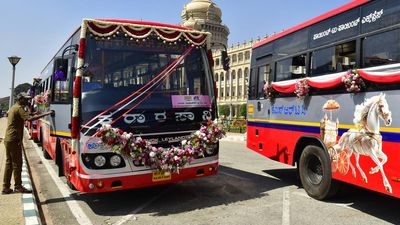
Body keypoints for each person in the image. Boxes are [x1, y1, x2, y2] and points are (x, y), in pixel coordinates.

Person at [2, 92, 54, 194]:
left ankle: (6, 187)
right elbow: (29, 119)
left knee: (9, 164)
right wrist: (46, 113)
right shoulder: (19, 108)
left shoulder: (14, 107)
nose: (27, 101)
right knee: (17, 164)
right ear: (20, 99)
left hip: (9, 139)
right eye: (25, 99)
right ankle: (18, 186)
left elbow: (26, 115)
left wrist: (36, 113)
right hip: (14, 139)